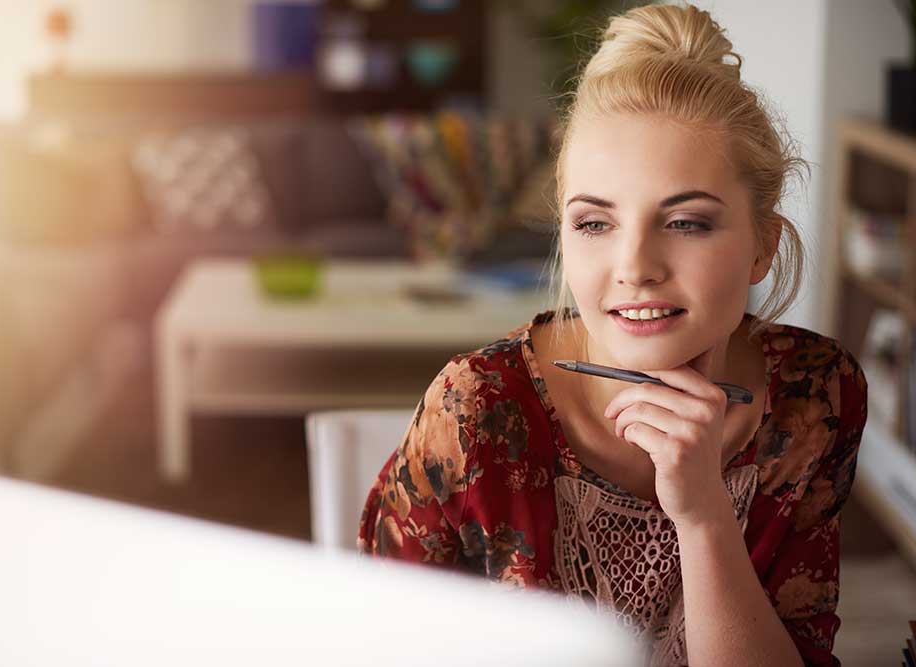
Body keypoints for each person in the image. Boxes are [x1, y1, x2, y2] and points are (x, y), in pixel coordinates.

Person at [357, 3, 868, 667]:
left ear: (761, 248)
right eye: (595, 224)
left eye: (686, 222)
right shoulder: (476, 410)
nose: (634, 267)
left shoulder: (817, 398)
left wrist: (706, 515)